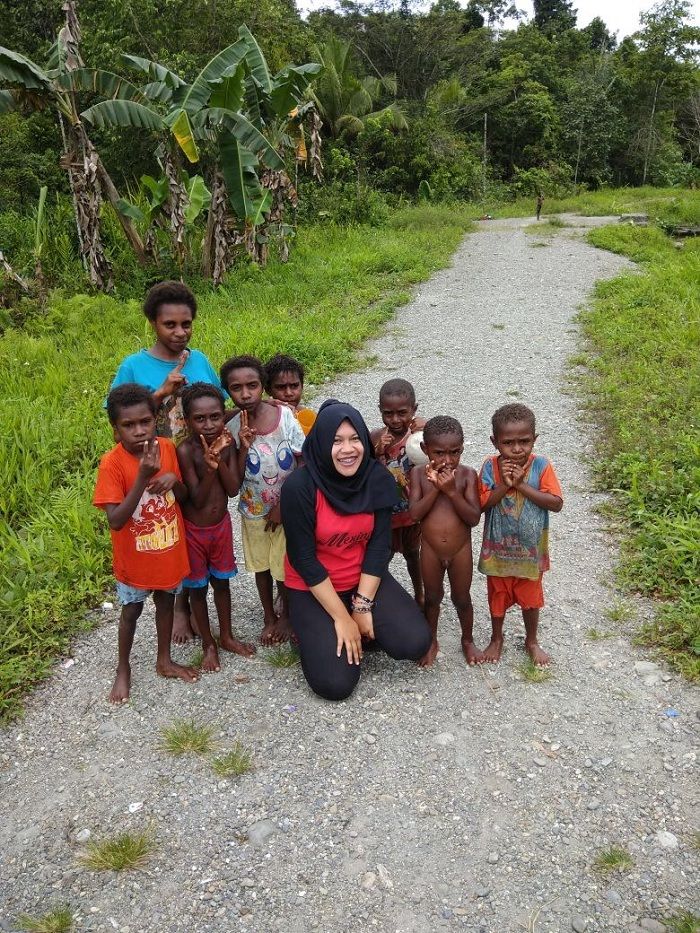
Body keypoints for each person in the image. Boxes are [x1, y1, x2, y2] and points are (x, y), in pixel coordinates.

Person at [281, 400, 432, 701]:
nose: (347, 449)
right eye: (336, 441)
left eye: (354, 439)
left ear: (365, 440)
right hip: (313, 588)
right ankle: (315, 633)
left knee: (414, 642)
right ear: (322, 444)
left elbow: (379, 546)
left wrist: (361, 607)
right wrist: (342, 618)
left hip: (361, 580)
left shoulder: (376, 479)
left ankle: (357, 627)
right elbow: (303, 559)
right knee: (335, 684)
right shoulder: (300, 487)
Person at [108, 280, 224, 645]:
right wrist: (161, 392)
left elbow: (220, 405)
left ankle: (190, 602)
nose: (179, 332)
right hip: (157, 468)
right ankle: (177, 607)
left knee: (194, 530)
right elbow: (119, 423)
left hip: (196, 464)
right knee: (170, 532)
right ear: (153, 324)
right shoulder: (133, 366)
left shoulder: (199, 360)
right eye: (169, 324)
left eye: (186, 324)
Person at [93, 384, 199, 703]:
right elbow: (116, 520)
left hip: (167, 552)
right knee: (131, 611)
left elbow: (183, 497)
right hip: (134, 560)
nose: (139, 431)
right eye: (129, 425)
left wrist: (173, 480)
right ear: (116, 430)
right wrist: (143, 476)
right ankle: (123, 668)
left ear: (156, 420)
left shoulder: (166, 448)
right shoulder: (111, 464)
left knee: (165, 604)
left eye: (145, 422)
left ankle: (164, 660)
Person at [222, 355, 305, 645]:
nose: (245, 394)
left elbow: (302, 461)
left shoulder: (284, 417)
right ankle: (269, 615)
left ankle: (287, 615)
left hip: (286, 508)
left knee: (284, 565)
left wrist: (283, 505)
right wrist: (243, 448)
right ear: (228, 392)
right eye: (236, 388)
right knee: (261, 566)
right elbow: (233, 484)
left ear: (263, 386)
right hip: (253, 509)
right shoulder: (232, 427)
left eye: (252, 385)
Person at [176, 383, 256, 672]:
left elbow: (233, 489)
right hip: (193, 532)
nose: (209, 425)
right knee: (197, 589)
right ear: (187, 421)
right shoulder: (185, 451)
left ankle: (227, 636)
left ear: (224, 416)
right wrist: (210, 466)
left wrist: (236, 452)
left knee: (222, 584)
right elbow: (196, 500)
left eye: (215, 417)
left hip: (220, 528)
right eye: (200, 419)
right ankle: (208, 644)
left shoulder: (228, 444)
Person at [477, 403, 563, 666]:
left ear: (534, 439)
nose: (516, 449)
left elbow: (556, 503)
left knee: (531, 599)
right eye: (508, 443)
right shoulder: (490, 467)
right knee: (497, 596)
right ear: (495, 442)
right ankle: (496, 638)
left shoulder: (541, 466)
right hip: (498, 551)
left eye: (524, 441)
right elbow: (481, 504)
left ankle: (531, 640)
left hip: (530, 552)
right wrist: (505, 485)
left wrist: (522, 485)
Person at [408, 416, 481, 667]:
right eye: (439, 453)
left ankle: (467, 640)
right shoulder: (418, 475)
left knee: (462, 598)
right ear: (425, 449)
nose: (447, 460)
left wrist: (451, 491)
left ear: (462, 449)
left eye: (454, 452)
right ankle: (432, 641)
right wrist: (437, 489)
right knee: (432, 597)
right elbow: (414, 514)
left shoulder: (468, 475)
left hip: (460, 550)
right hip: (430, 550)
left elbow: (473, 518)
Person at [371, 378, 425, 606]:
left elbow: (437, 452)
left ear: (414, 409)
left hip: (411, 513)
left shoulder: (418, 437)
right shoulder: (375, 437)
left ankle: (420, 595)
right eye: (388, 413)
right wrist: (377, 450)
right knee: (382, 557)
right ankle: (375, 597)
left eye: (402, 413)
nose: (395, 419)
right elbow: (364, 468)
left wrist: (426, 428)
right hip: (386, 515)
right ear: (380, 410)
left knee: (413, 554)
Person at [264, 353, 317, 436]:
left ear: (302, 386)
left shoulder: (309, 418)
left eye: (294, 386)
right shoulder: (261, 418)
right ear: (268, 390)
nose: (288, 393)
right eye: (281, 387)